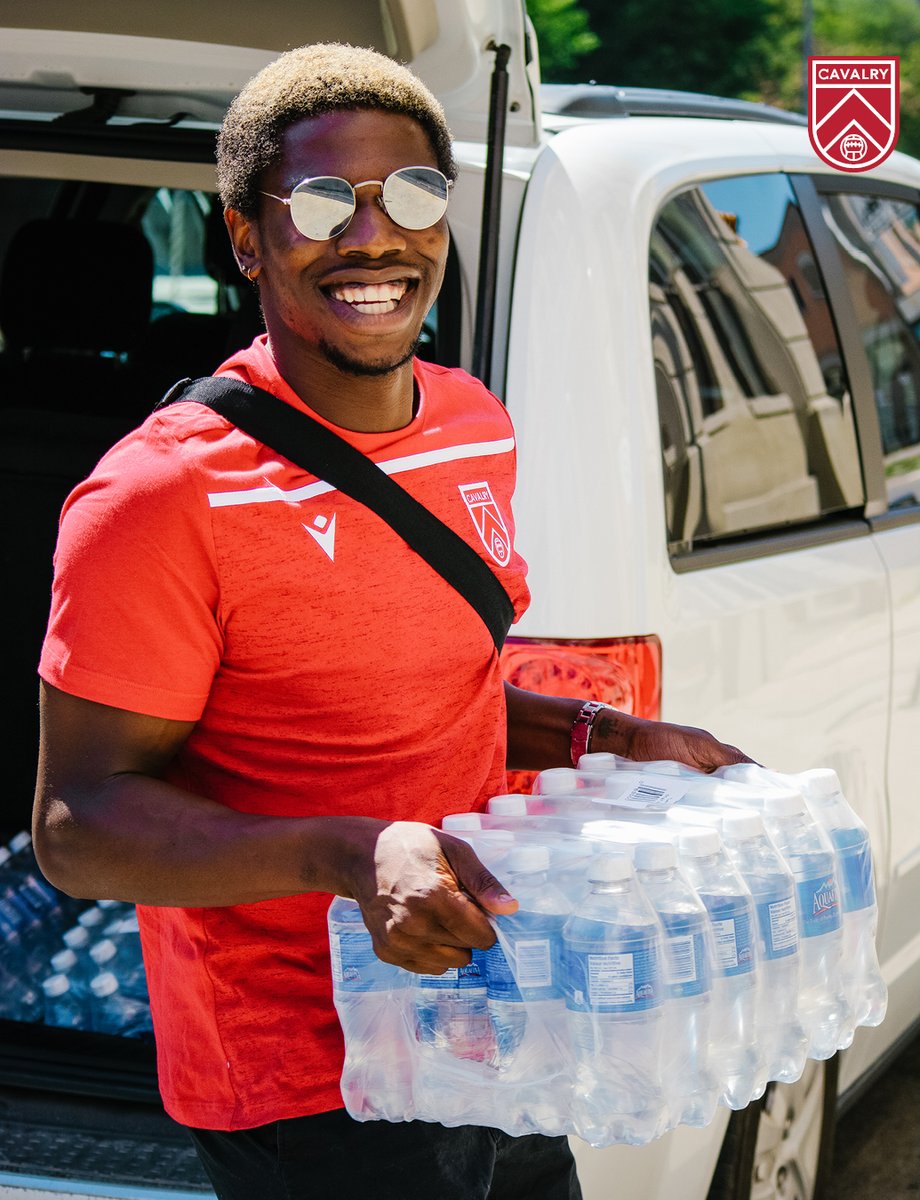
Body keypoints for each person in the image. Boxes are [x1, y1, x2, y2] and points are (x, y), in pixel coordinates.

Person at [33, 42, 751, 1200]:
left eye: (414, 195)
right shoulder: (163, 494)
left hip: (493, 1013)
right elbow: (78, 824)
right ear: (246, 236)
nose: (375, 238)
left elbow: (435, 685)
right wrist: (349, 854)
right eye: (323, 201)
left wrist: (607, 740)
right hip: (310, 1080)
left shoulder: (473, 425)